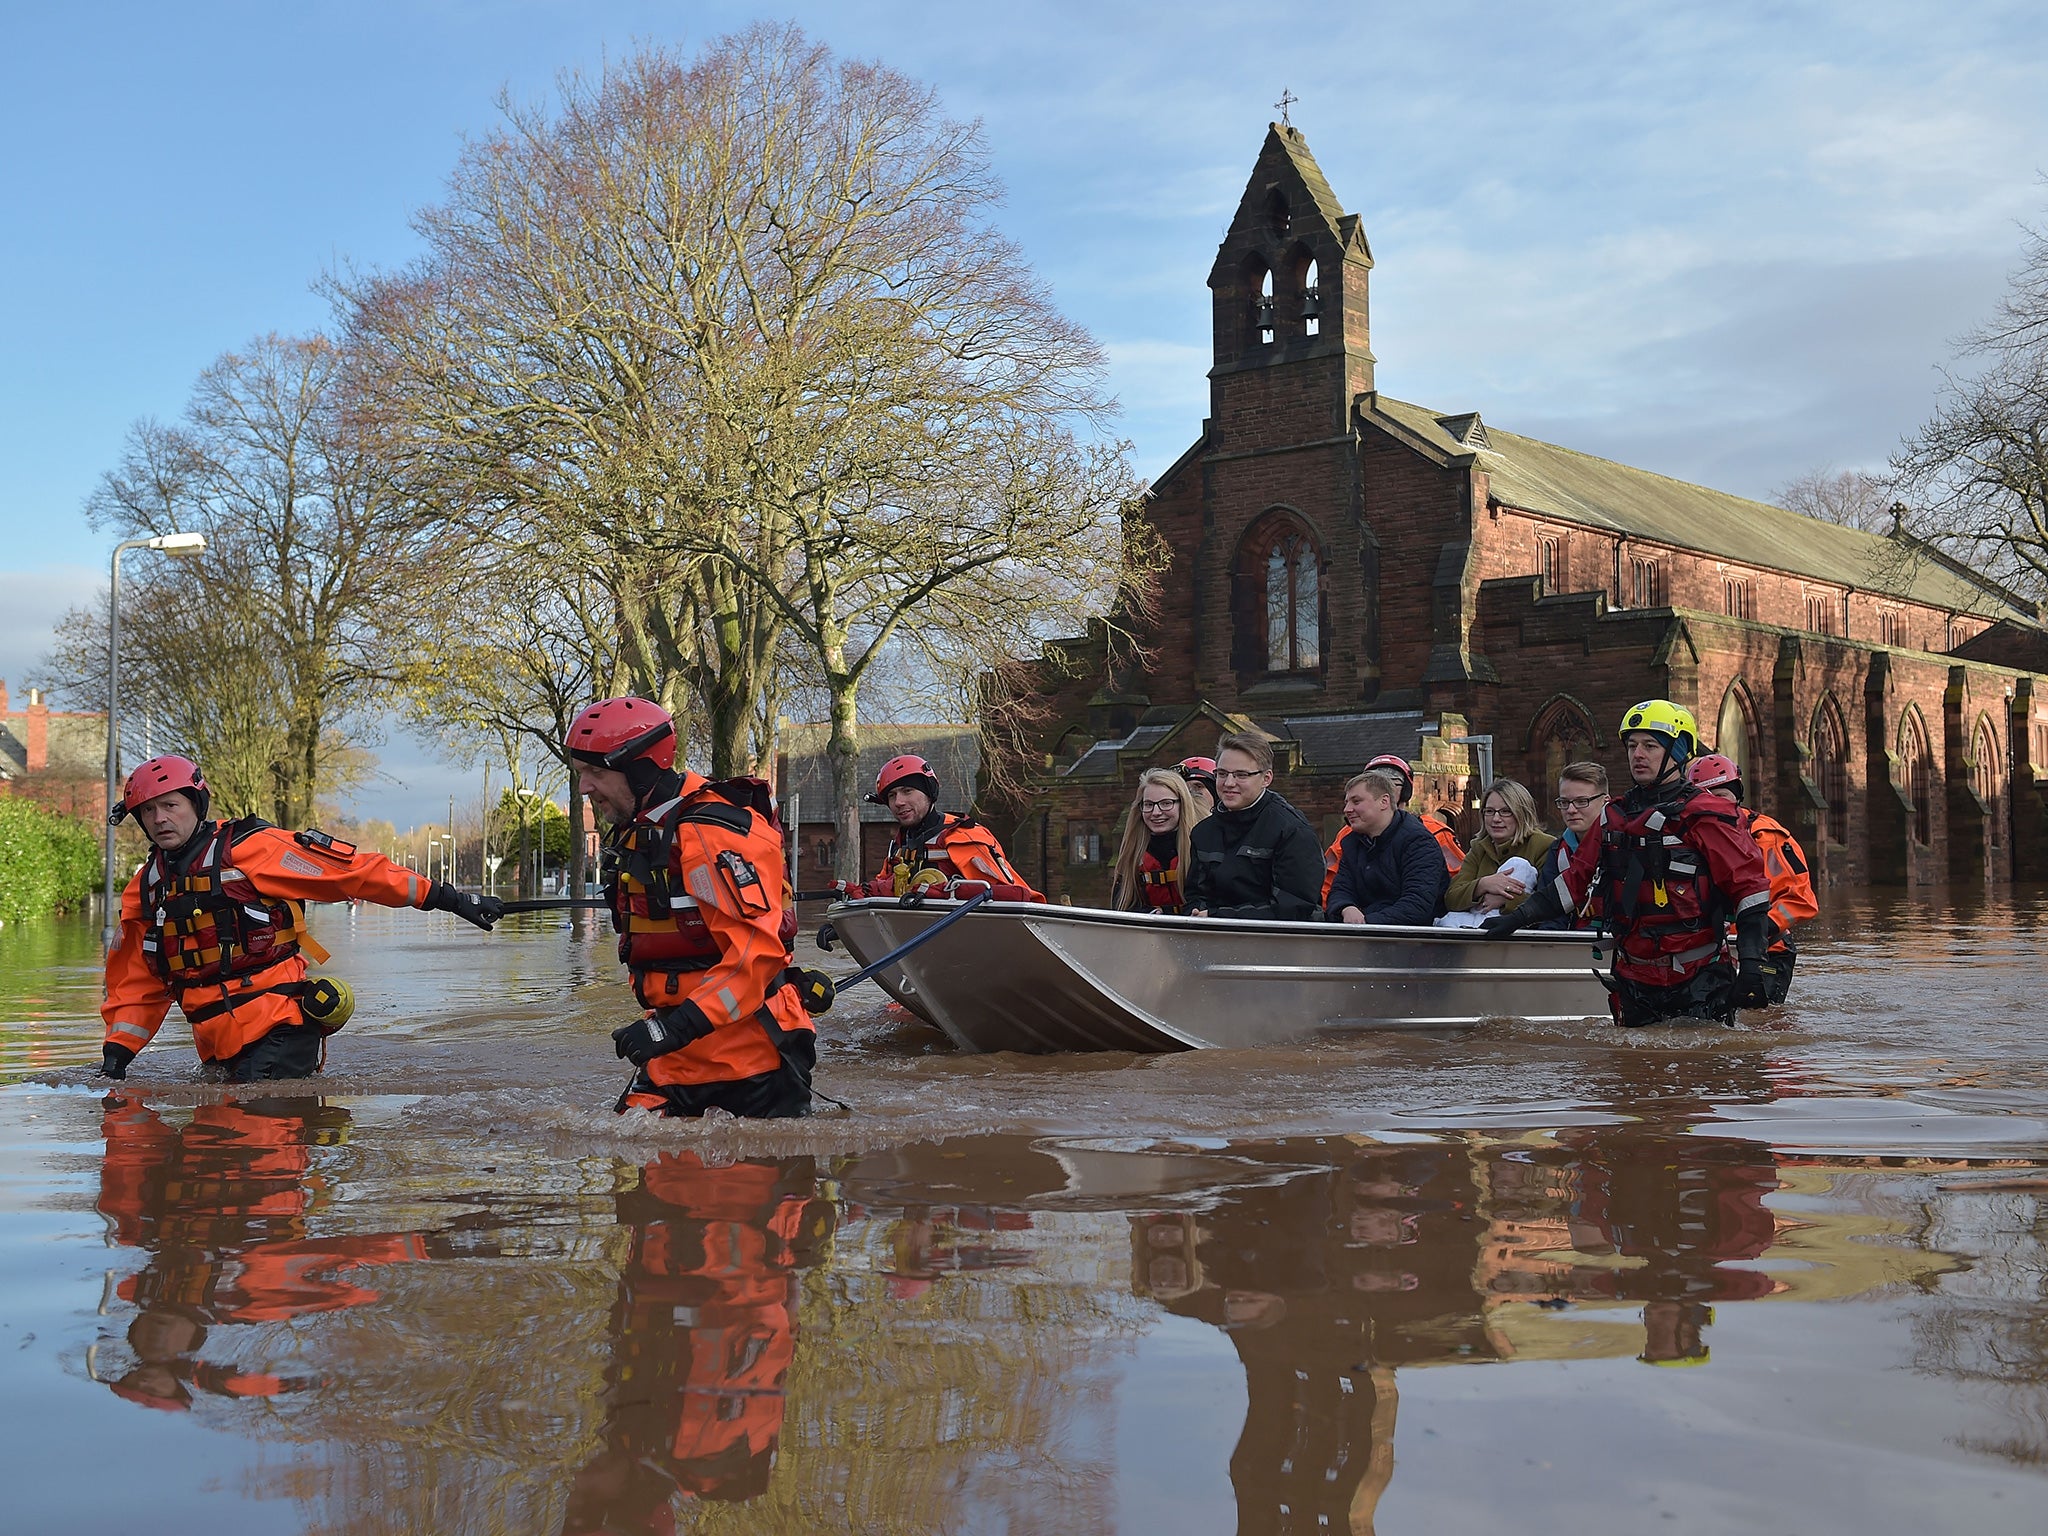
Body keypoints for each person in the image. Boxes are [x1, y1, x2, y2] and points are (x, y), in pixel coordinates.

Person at [98, 754, 501, 1084]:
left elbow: (355, 874)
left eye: (170, 805)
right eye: (148, 811)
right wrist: (116, 1056)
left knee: (260, 1152)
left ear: (195, 804)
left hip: (280, 1027)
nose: (160, 818)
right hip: (218, 1045)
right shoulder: (146, 889)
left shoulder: (252, 849)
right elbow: (137, 981)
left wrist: (450, 899)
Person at [568, 696, 815, 1119]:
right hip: (678, 1053)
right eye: (579, 774)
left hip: (749, 1057)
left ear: (641, 769)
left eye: (595, 772)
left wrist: (670, 1029)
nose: (584, 788)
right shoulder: (645, 830)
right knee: (634, 1173)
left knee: (739, 1179)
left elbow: (755, 957)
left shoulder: (708, 834)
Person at [1485, 700, 1773, 1026]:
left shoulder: (1708, 814)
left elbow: (1749, 889)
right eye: (1633, 745)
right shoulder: (1613, 816)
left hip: (1699, 977)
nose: (1638, 754)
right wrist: (1517, 918)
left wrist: (1752, 964)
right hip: (1632, 977)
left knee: (1700, 1069)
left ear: (1678, 752)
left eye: (1650, 746)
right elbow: (1574, 882)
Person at [1685, 752, 1818, 1004]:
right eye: (1706, 799)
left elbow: (1802, 900)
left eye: (1721, 796)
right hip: (1712, 951)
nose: (1715, 807)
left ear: (1736, 796)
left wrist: (1758, 927)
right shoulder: (1689, 837)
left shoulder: (1766, 836)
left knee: (1758, 1024)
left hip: (1767, 951)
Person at [856, 753, 1041, 901]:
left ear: (929, 792)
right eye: (891, 796)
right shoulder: (898, 845)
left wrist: (948, 892)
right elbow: (883, 893)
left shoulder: (963, 836)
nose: (899, 802)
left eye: (907, 791)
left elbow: (1012, 896)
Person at [1186, 732, 1324, 921]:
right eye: (1222, 774)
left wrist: (1220, 918)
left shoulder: (1291, 830)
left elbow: (1295, 907)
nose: (1229, 783)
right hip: (1212, 940)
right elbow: (1195, 895)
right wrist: (1197, 913)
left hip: (1277, 942)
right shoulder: (1203, 832)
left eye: (1241, 775)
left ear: (1266, 778)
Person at [1321, 753, 1465, 905]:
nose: (1385, 786)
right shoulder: (1348, 836)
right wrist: (1338, 912)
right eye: (1377, 782)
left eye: (1392, 781)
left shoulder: (1434, 831)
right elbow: (1329, 883)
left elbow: (1458, 883)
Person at [1443, 779, 1556, 919]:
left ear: (1522, 813)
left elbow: (1552, 903)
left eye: (1505, 811)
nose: (1496, 819)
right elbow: (1451, 898)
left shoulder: (1544, 846)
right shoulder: (1479, 848)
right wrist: (1483, 884)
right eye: (1489, 811)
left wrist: (1506, 899)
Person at [1529, 762, 1612, 930]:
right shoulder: (1558, 851)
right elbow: (1549, 911)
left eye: (1582, 801)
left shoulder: (1621, 846)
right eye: (1564, 802)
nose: (1571, 810)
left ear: (1605, 802)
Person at [1109, 768, 1201, 913]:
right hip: (1148, 931)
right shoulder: (1132, 852)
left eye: (1166, 803)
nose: (1156, 813)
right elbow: (1122, 905)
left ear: (1182, 805)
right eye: (1149, 805)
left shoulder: (1201, 847)